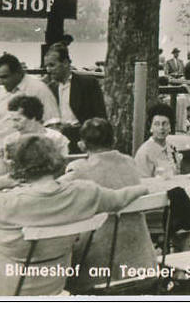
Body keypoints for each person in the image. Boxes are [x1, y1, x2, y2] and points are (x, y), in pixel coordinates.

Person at [0, 134, 147, 296]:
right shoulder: (84, 193)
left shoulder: (6, 203)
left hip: (4, 290)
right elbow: (120, 198)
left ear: (18, 167)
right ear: (54, 160)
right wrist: (142, 189)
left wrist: (2, 182)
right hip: (53, 286)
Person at [59, 119, 155, 289]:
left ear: (82, 145)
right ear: (114, 141)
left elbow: (52, 190)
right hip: (142, 260)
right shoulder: (129, 162)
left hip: (99, 266)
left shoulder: (78, 168)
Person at [43, 42, 107, 153]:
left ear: (66, 63)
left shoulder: (87, 84)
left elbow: (100, 116)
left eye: (52, 65)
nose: (48, 70)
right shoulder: (50, 88)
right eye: (46, 66)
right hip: (57, 142)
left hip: (83, 140)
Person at [0, 53, 59, 148]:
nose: (0, 81)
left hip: (28, 152)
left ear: (18, 73)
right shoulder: (3, 90)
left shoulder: (39, 89)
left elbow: (53, 124)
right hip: (2, 150)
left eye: (4, 77)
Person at [0, 95, 71, 176]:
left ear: (33, 117)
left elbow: (63, 170)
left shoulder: (57, 138)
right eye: (12, 120)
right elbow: (0, 175)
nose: (14, 125)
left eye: (18, 120)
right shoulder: (10, 140)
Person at [134, 103, 179, 178]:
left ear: (170, 127)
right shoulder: (144, 152)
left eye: (165, 124)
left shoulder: (171, 148)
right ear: (151, 127)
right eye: (157, 124)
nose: (161, 128)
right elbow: (142, 181)